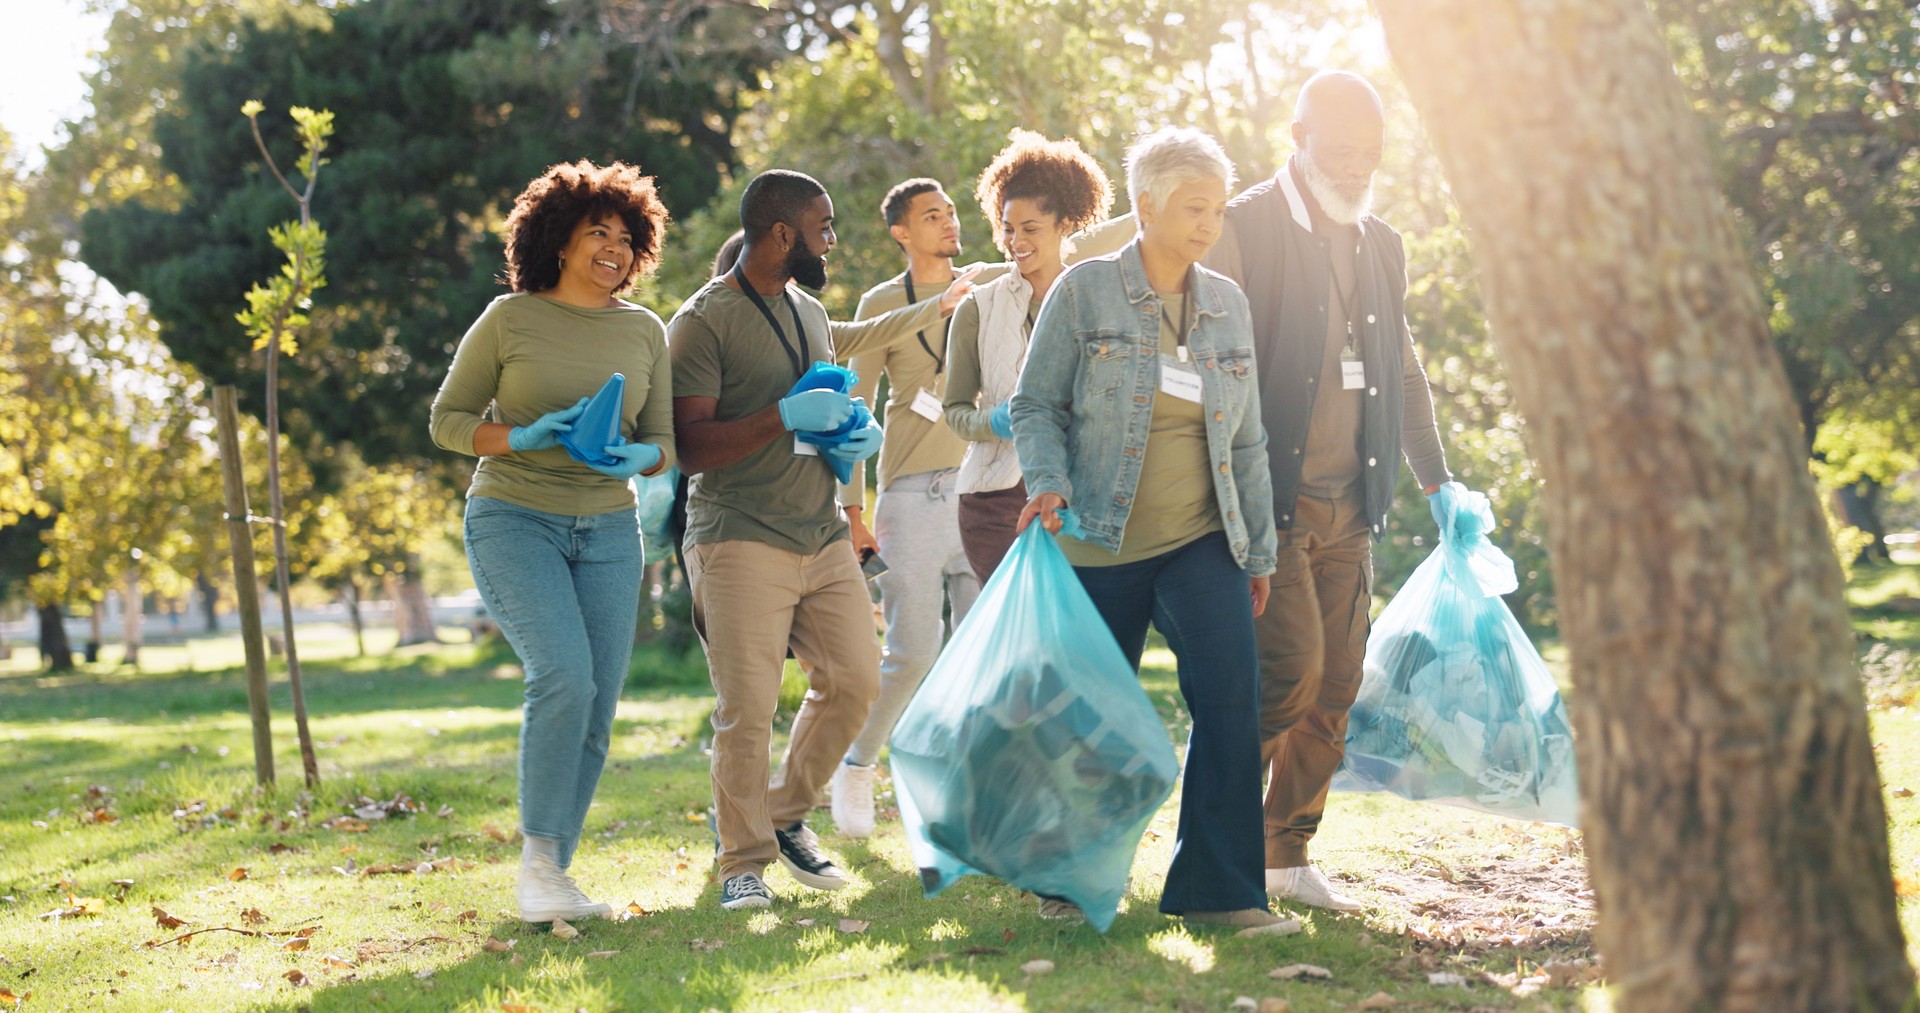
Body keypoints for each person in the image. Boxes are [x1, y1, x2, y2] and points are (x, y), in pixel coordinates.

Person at [670, 170, 975, 911]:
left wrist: (936, 308)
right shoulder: (703, 319)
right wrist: (783, 414)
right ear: (782, 234)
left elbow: (856, 340)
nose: (832, 240)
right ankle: (742, 861)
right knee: (747, 706)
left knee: (858, 680)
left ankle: (779, 817)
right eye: (824, 227)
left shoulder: (806, 308)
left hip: (820, 534)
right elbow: (689, 446)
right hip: (740, 535)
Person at [1011, 127, 1283, 930]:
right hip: (1097, 534)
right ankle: (1067, 882)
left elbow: (1249, 438)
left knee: (1232, 701)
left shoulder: (1228, 302)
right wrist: (1049, 483)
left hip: (1204, 539)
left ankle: (1221, 890)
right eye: (1194, 207)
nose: (1209, 223)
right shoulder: (1084, 291)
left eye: (1218, 208)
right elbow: (1034, 404)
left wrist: (1257, 549)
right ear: (1146, 206)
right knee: (1088, 716)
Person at [1204, 71, 1453, 912]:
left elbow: (1405, 369)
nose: (1354, 167)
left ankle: (1286, 855)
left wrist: (1438, 478)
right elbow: (1205, 364)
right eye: (1338, 150)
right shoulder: (1241, 228)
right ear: (1298, 142)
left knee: (1340, 682)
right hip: (1268, 504)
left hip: (1355, 505)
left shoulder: (1382, 241)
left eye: (1370, 154)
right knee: (1289, 676)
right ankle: (1218, 844)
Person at [429, 159, 675, 922]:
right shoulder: (510, 319)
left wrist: (639, 456)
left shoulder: (645, 330)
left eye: (627, 236)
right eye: (597, 231)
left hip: (608, 527)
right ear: (558, 242)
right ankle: (539, 863)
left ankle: (551, 875)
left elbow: (663, 439)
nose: (614, 246)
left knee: (597, 706)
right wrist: (524, 435)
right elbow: (447, 420)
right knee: (563, 674)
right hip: (515, 517)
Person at [830, 179, 1009, 839]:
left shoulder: (991, 281)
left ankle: (967, 796)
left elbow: (1073, 246)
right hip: (912, 494)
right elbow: (854, 406)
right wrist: (853, 509)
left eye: (952, 212)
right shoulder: (883, 303)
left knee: (982, 649)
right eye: (931, 216)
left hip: (986, 486)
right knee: (911, 650)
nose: (948, 223)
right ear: (901, 232)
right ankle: (855, 763)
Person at [945, 130, 1112, 583]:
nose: (1016, 241)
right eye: (1009, 228)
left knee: (1072, 642)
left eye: (1030, 228)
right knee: (1019, 642)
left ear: (1065, 224)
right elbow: (955, 412)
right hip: (993, 504)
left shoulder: (1098, 303)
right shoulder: (976, 309)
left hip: (1077, 499)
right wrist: (997, 420)